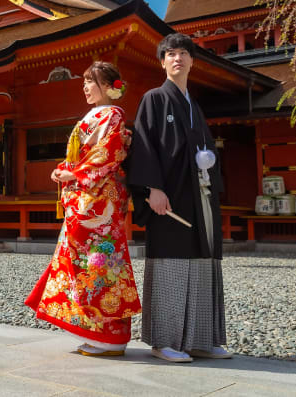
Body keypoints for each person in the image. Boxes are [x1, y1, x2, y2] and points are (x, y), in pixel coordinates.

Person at [126, 33, 231, 363]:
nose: (177, 59)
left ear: (192, 62)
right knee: (171, 266)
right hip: (168, 200)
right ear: (162, 62)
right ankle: (164, 340)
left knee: (202, 264)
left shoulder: (193, 106)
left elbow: (205, 148)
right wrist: (151, 189)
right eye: (170, 54)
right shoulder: (154, 99)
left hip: (198, 198)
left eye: (183, 53)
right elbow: (144, 145)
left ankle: (200, 338)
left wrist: (209, 162)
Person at [25, 61, 141, 357]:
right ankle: (96, 331)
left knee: (100, 262)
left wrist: (75, 175)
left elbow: (109, 153)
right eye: (85, 83)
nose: (86, 87)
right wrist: (63, 169)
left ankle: (110, 337)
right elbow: (80, 157)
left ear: (109, 87)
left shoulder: (113, 116)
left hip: (100, 202)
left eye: (92, 82)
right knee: (82, 261)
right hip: (86, 199)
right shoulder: (93, 116)